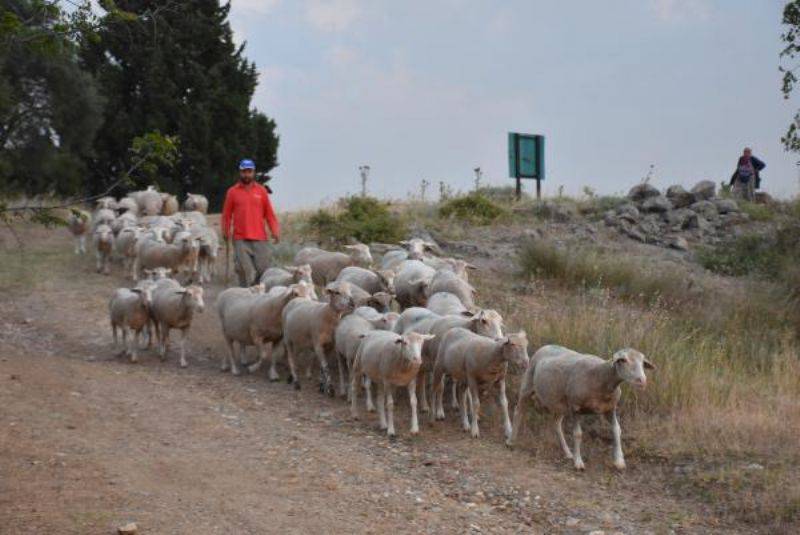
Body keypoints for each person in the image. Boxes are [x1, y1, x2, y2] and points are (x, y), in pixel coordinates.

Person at [221, 159, 280, 287]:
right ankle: (245, 296)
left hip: (260, 238)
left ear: (254, 172)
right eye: (244, 172)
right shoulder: (232, 192)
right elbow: (226, 215)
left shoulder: (261, 191)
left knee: (264, 270)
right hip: (240, 239)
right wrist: (225, 231)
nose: (246, 175)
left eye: (249, 171)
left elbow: (269, 214)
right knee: (244, 270)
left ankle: (258, 292)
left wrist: (275, 231)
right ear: (240, 172)